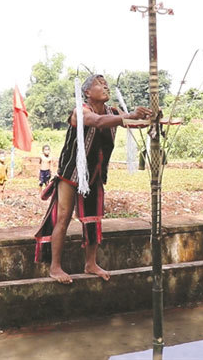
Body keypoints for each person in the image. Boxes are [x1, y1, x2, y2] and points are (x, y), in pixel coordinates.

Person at [34, 74, 151, 284]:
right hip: (71, 174)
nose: (105, 87)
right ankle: (55, 267)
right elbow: (97, 122)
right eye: (100, 84)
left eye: (106, 84)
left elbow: (131, 122)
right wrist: (131, 116)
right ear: (87, 92)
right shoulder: (81, 111)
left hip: (94, 173)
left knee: (93, 218)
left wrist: (149, 117)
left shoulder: (112, 112)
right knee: (63, 218)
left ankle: (90, 263)